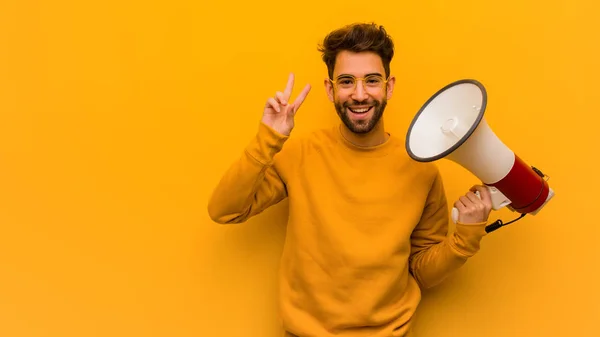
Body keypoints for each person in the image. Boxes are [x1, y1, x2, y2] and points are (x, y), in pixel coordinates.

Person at [207, 22, 492, 337]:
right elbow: (225, 210)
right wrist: (268, 138)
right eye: (346, 81)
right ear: (330, 89)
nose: (359, 94)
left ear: (389, 86)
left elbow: (421, 271)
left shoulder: (421, 170)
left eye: (371, 80)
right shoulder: (300, 154)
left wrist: (465, 238)